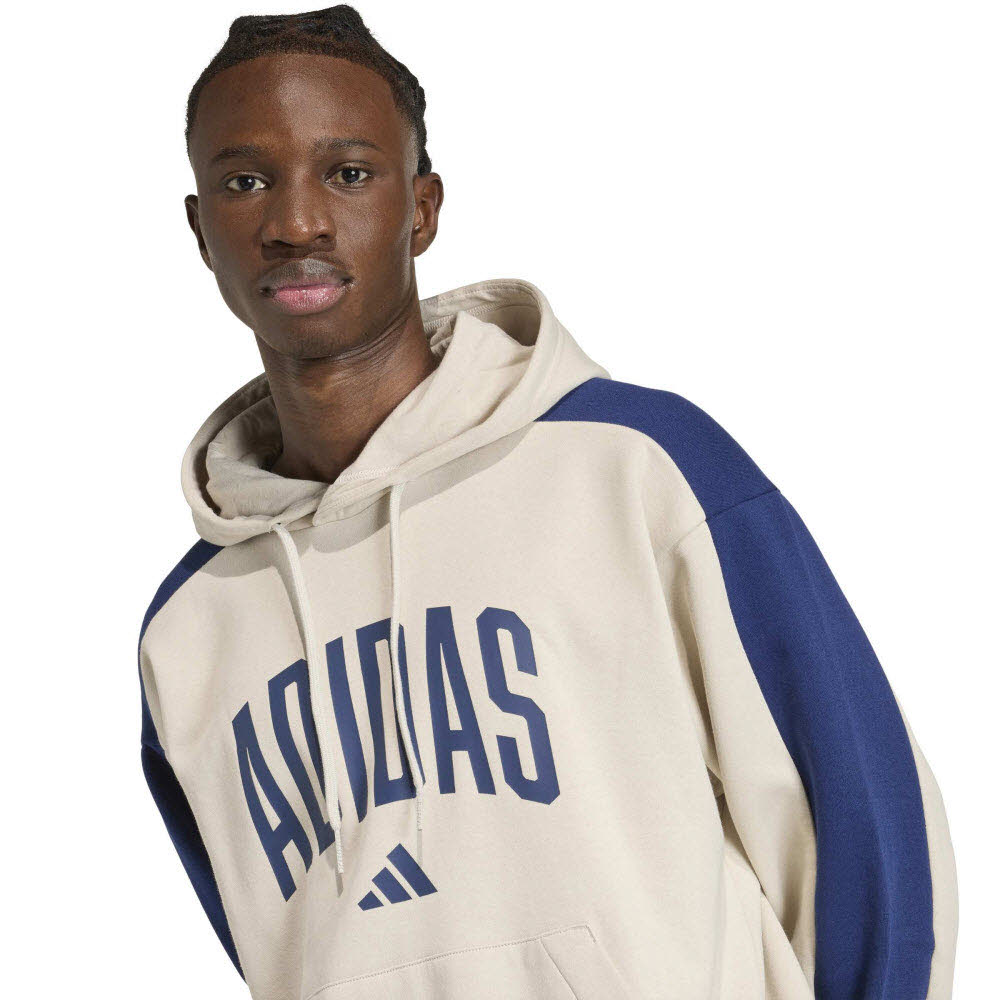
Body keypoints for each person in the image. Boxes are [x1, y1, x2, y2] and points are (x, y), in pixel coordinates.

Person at [138, 6, 959, 998]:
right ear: (199, 229)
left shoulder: (635, 469)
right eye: (245, 182)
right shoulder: (190, 631)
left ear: (422, 208)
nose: (296, 222)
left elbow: (865, 822)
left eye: (348, 173)